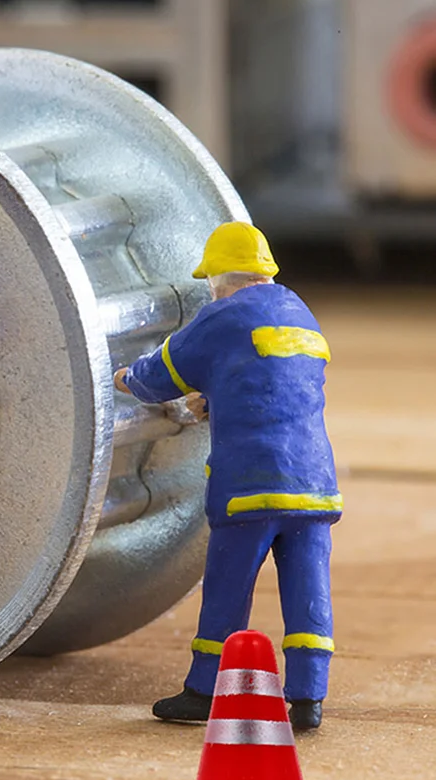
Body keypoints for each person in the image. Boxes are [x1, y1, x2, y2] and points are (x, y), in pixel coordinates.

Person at [114, 221, 340, 730]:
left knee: (228, 589)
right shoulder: (298, 311)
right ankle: (308, 699)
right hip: (314, 483)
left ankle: (204, 691)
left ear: (219, 277)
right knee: (308, 588)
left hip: (251, 485)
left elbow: (160, 377)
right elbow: (274, 384)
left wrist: (126, 378)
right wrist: (222, 396)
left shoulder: (222, 316)